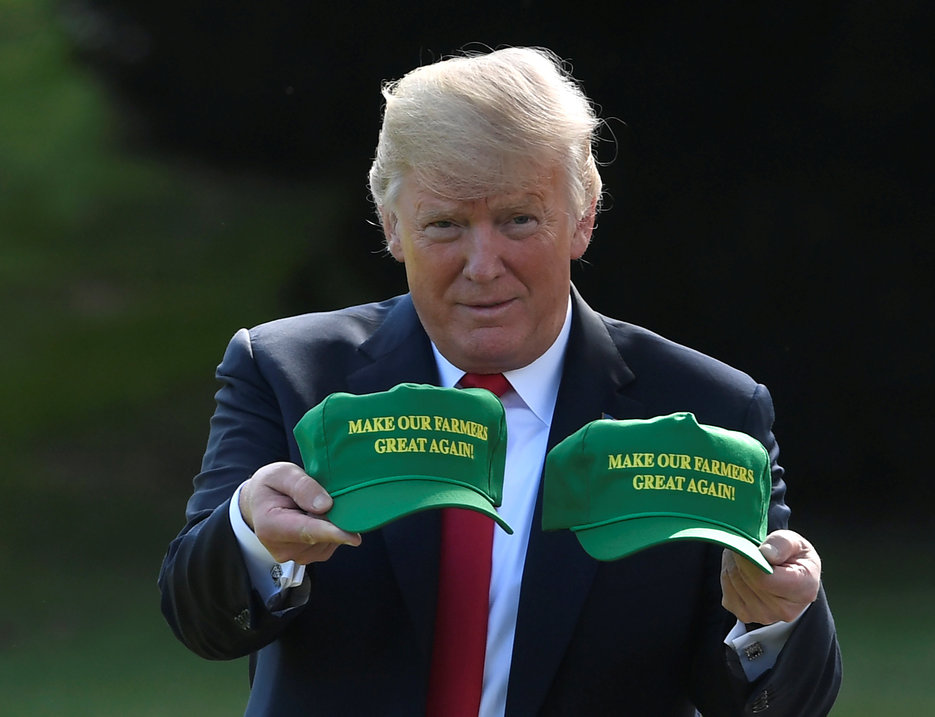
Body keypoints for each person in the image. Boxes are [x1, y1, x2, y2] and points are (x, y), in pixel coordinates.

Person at [159, 46, 841, 716]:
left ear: (583, 218)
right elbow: (202, 620)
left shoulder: (706, 409)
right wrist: (250, 535)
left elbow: (775, 705)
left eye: (519, 219)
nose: (484, 264)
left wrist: (775, 622)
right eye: (446, 225)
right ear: (393, 227)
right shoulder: (288, 372)